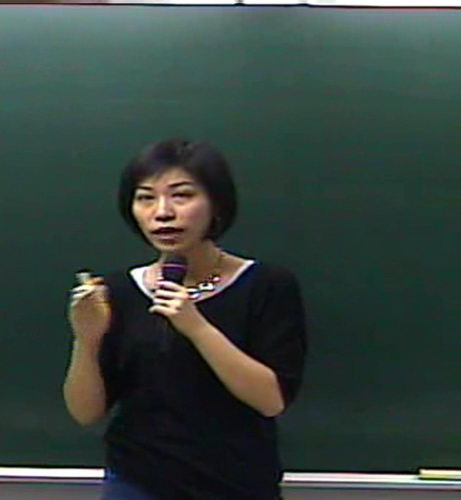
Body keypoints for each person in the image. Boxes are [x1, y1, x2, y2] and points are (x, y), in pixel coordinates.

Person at [63, 139, 307, 500]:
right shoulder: (117, 291)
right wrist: (86, 340)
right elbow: (86, 413)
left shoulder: (267, 286)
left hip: (237, 484)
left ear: (216, 204)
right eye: (146, 198)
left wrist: (197, 327)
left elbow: (270, 400)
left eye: (182, 196)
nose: (163, 212)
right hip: (137, 482)